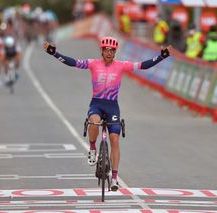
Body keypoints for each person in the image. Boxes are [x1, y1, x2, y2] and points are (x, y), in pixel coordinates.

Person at [43, 37, 172, 191]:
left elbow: (143, 65)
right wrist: (54, 53)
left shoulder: (121, 65)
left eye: (112, 50)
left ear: (115, 52)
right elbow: (73, 62)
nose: (109, 52)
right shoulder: (93, 64)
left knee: (114, 139)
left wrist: (162, 56)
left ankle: (114, 179)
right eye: (106, 50)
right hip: (97, 104)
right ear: (102, 51)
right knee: (94, 121)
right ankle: (92, 148)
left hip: (112, 106)